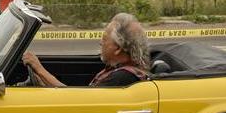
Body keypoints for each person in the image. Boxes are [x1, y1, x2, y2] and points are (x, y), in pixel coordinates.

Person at [22, 12, 151, 88]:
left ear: (117, 48)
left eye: (105, 39)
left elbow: (74, 100)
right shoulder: (118, 69)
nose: (101, 42)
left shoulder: (121, 77)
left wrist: (39, 69)